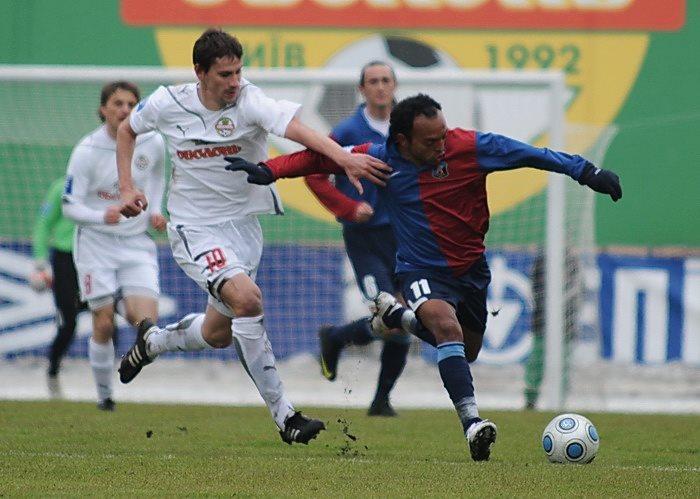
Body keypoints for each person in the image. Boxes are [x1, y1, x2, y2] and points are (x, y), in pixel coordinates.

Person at [224, 93, 622, 461]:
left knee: (466, 350)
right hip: (420, 270)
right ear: (403, 141)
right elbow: (320, 160)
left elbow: (533, 155)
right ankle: (472, 425)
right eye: (431, 141)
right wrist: (269, 170)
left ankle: (398, 318)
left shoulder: (471, 147)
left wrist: (587, 172)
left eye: (443, 136)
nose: (441, 146)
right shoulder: (382, 160)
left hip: (472, 271)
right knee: (447, 328)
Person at [115, 28, 389, 445]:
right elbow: (126, 130)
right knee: (248, 300)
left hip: (244, 229)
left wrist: (343, 158)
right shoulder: (168, 102)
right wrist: (126, 187)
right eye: (224, 74)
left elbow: (298, 131)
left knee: (217, 334)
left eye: (238, 72)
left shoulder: (249, 100)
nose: (234, 82)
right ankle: (286, 416)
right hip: (194, 228)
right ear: (200, 72)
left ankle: (153, 341)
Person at [306, 61, 410, 417]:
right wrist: (349, 208)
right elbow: (314, 175)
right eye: (373, 81)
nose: (380, 86)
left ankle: (381, 400)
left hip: (406, 239)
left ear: (395, 85)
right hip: (365, 240)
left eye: (386, 80)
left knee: (406, 319)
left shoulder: (409, 127)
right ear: (362, 89)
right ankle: (335, 339)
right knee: (391, 314)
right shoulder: (347, 131)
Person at [62, 80, 167, 411]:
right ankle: (105, 397)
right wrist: (100, 216)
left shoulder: (152, 142)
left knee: (149, 328)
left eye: (131, 104)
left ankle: (123, 307)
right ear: (103, 109)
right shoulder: (87, 150)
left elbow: (157, 177)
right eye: (118, 103)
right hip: (96, 243)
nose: (125, 110)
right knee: (103, 322)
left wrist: (156, 210)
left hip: (136, 243)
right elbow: (69, 206)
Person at [29, 176, 86, 390]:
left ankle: (109, 373)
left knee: (106, 316)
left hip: (93, 259)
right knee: (69, 322)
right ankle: (52, 368)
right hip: (65, 260)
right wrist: (40, 261)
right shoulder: (61, 188)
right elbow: (43, 223)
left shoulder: (103, 188)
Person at [524, 247, 581, 409]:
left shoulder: (572, 262)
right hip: (542, 321)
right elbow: (535, 288)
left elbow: (578, 289)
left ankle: (560, 401)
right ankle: (530, 399)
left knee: (564, 363)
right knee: (537, 361)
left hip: (566, 323)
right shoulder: (542, 260)